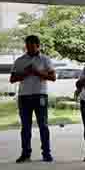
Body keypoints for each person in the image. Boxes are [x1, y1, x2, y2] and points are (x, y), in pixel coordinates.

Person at [10, 35, 56, 163]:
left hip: (40, 95)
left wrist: (36, 72)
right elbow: (12, 79)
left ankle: (46, 153)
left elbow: (53, 77)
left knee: (43, 125)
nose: (29, 48)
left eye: (32, 45)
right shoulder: (20, 60)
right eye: (27, 45)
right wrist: (25, 73)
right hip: (24, 96)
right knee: (25, 126)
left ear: (38, 46)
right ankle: (25, 154)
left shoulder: (45, 60)